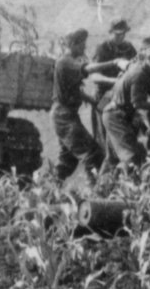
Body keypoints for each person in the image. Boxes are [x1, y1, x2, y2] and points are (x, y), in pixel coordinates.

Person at [51, 29, 126, 185]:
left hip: (64, 115)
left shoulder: (67, 62)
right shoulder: (65, 62)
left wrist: (92, 101)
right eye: (81, 44)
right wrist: (114, 62)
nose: (84, 47)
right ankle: (95, 190)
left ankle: (49, 190)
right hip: (64, 116)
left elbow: (74, 90)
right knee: (92, 153)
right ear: (73, 44)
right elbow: (88, 69)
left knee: (68, 159)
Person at [102, 43, 150, 173]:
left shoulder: (145, 71)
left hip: (119, 114)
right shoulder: (139, 74)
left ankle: (103, 182)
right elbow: (137, 103)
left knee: (113, 158)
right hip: (116, 116)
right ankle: (128, 183)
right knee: (131, 157)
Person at [90, 19, 137, 145]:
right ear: (110, 32)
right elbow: (94, 76)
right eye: (118, 34)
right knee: (104, 133)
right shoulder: (102, 48)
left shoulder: (129, 47)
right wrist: (115, 81)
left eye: (124, 33)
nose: (121, 37)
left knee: (124, 131)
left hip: (122, 96)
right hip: (103, 95)